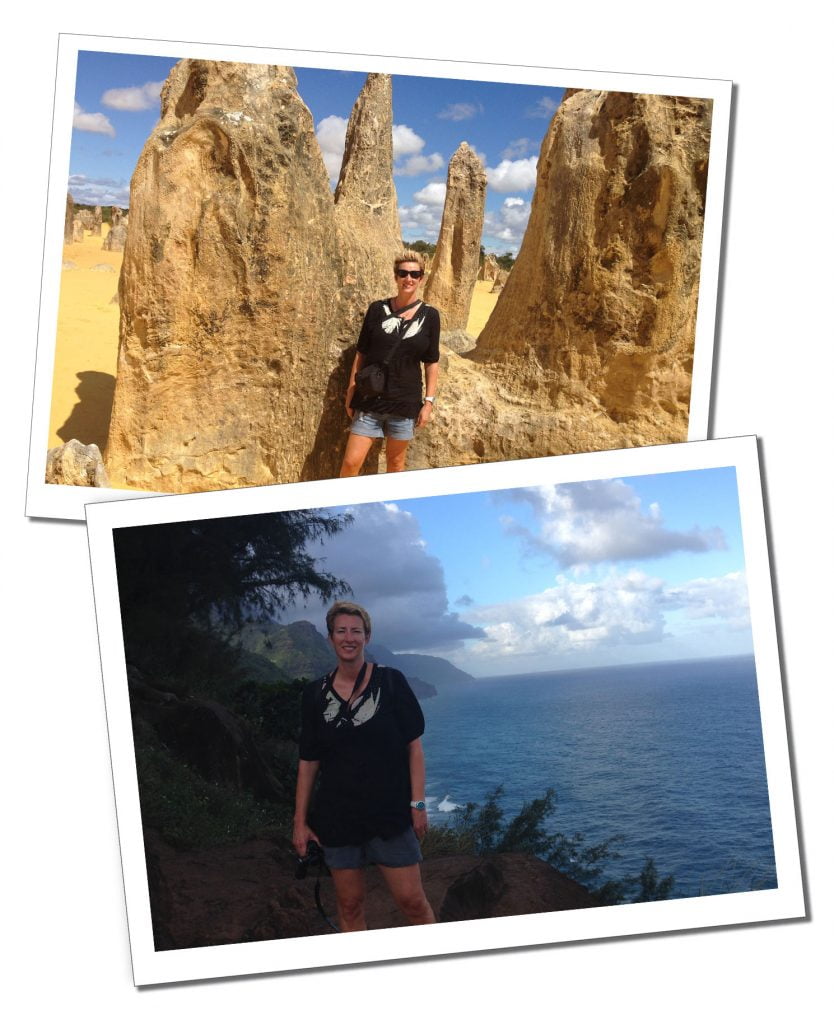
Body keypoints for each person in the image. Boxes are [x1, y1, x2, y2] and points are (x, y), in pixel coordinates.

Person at [293, 601, 436, 931]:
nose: (348, 637)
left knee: (413, 902)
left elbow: (413, 747)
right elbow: (309, 761)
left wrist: (417, 803)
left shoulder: (391, 682)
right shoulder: (314, 695)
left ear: (367, 638)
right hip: (338, 818)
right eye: (341, 631)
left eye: (356, 631)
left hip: (389, 814)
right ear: (330, 638)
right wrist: (300, 822)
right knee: (349, 905)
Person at [340, 251, 440, 476]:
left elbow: (431, 361)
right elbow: (361, 353)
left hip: (405, 403)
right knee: (350, 463)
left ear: (421, 278)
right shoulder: (377, 310)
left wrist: (429, 403)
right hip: (369, 400)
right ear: (395, 277)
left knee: (396, 466)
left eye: (415, 274)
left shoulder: (430, 316)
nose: (409, 279)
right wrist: (351, 390)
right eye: (403, 273)